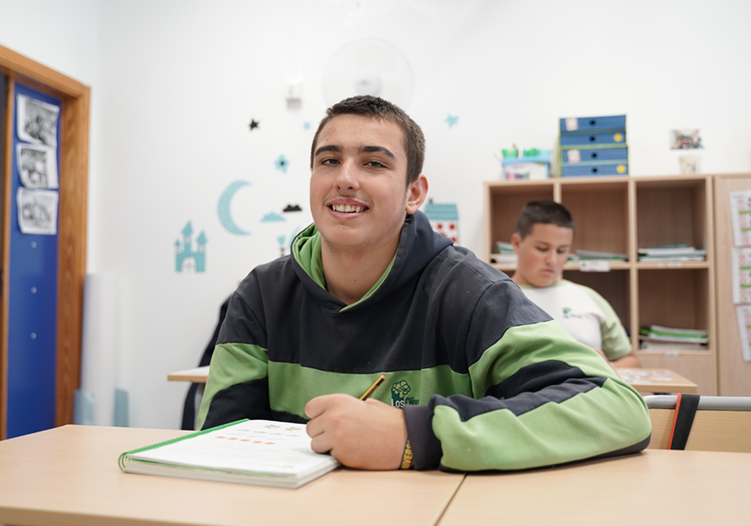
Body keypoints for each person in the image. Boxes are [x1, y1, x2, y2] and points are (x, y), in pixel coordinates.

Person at [197, 95, 650, 472]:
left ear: (413, 193)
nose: (345, 178)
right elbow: (220, 444)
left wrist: (413, 436)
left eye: (374, 163)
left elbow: (618, 407)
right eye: (329, 160)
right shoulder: (261, 295)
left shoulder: (470, 293)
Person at [510, 200, 641, 369]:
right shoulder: (498, 299)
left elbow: (632, 362)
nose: (552, 260)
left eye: (561, 251)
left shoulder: (589, 298)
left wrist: (608, 366)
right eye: (542, 248)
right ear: (517, 243)